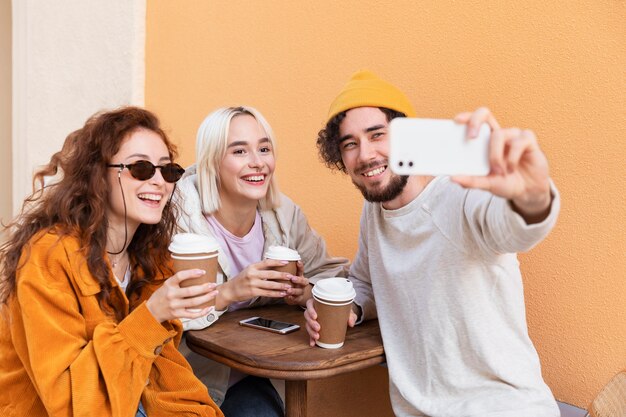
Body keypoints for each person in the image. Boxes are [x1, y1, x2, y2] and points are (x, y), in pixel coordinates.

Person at [305, 70, 561, 417]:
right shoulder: (374, 210)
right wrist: (349, 308)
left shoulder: (460, 196)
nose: (365, 154)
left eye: (377, 134)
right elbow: (366, 281)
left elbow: (515, 229)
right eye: (350, 144)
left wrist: (531, 193)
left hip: (502, 408)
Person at [0, 107, 223, 417]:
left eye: (167, 170)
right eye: (141, 168)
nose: (159, 181)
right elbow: (70, 401)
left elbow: (164, 373)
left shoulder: (151, 258)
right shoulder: (48, 257)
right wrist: (152, 314)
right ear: (98, 175)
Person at [175, 106, 349, 417]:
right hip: (185, 376)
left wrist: (307, 292)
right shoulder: (178, 216)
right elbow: (161, 311)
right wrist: (230, 291)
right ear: (212, 161)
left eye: (264, 148)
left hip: (249, 375)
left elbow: (332, 274)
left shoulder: (284, 213)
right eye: (239, 150)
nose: (258, 162)